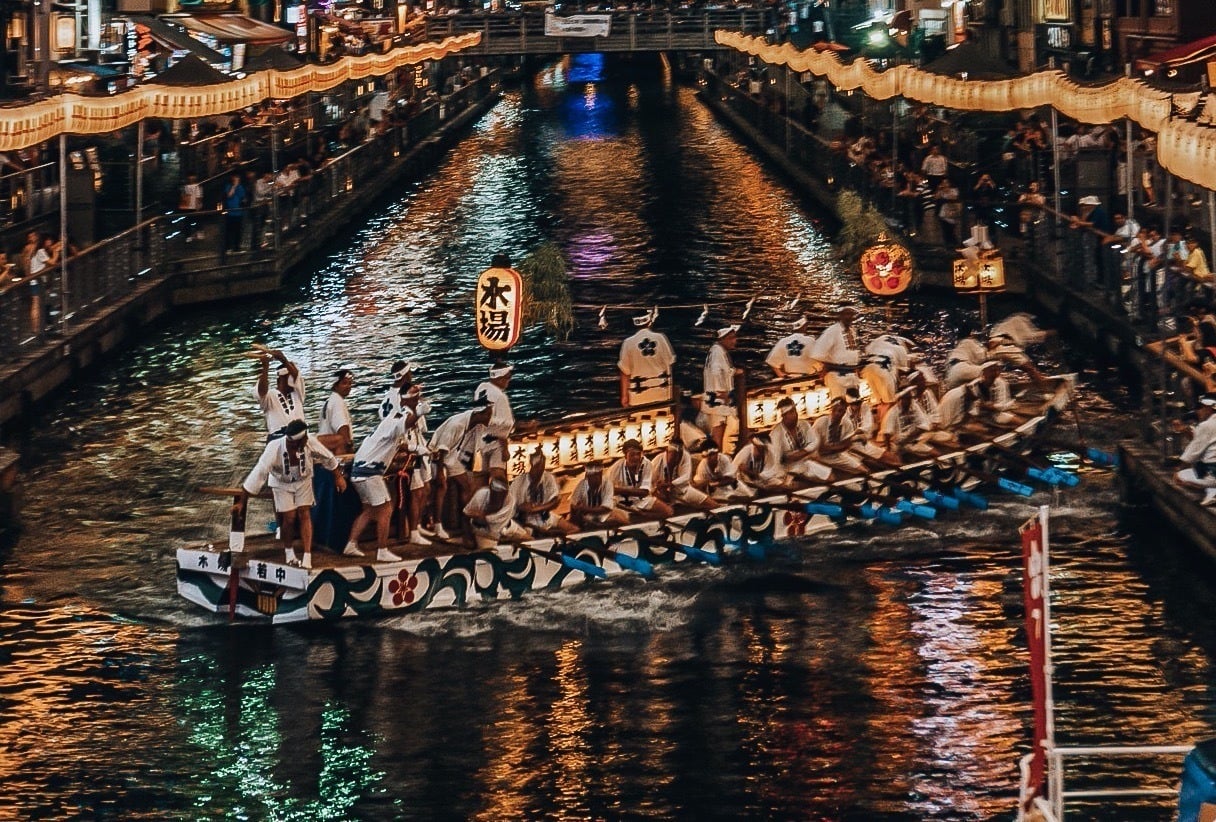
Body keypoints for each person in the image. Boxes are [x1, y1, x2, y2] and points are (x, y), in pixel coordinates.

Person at [235, 419, 346, 569]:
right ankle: (289, 551)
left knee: (304, 513)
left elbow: (328, 457)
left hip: (303, 480)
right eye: (304, 439)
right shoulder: (274, 449)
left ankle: (307, 555)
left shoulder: (309, 442)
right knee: (289, 518)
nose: (307, 440)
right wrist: (242, 501)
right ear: (295, 442)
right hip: (281, 483)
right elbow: (257, 474)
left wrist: (338, 477)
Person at [343, 406, 422, 563]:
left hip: (359, 473)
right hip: (369, 474)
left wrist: (418, 448)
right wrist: (418, 412)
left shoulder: (386, 426)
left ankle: (350, 545)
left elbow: (401, 446)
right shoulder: (395, 425)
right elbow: (408, 424)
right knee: (385, 510)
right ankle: (382, 550)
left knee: (369, 511)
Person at [429, 399, 493, 538]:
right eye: (488, 414)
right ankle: (437, 525)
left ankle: (467, 520)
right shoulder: (457, 424)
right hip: (436, 456)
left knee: (467, 485)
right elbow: (441, 449)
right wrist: (440, 472)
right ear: (479, 414)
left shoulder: (475, 423)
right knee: (442, 487)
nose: (490, 417)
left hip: (451, 457)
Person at [618, 307, 676, 407]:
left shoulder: (628, 343)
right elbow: (670, 363)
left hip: (639, 395)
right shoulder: (661, 338)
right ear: (649, 321)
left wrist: (624, 396)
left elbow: (624, 371)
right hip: (661, 393)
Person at [510, 449, 577, 535]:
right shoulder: (518, 482)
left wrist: (537, 508)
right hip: (527, 521)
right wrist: (523, 509)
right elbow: (514, 508)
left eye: (541, 467)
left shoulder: (548, 477)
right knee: (530, 538)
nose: (539, 471)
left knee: (574, 530)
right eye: (537, 467)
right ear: (531, 466)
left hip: (547, 516)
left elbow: (555, 501)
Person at [608, 438, 674, 519]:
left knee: (668, 511)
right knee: (619, 517)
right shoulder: (616, 468)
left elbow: (644, 492)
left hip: (642, 500)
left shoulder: (646, 464)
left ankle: (647, 517)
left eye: (638, 454)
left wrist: (620, 490)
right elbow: (609, 491)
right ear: (625, 455)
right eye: (632, 455)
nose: (636, 457)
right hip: (621, 502)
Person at [770, 397, 833, 482]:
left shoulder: (804, 424)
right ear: (784, 416)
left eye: (795, 411)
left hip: (806, 462)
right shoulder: (776, 434)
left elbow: (814, 441)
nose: (795, 415)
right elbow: (776, 460)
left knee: (830, 476)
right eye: (791, 413)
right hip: (788, 469)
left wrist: (803, 452)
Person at [463, 477, 531, 549]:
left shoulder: (510, 500)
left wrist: (479, 514)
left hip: (506, 527)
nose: (497, 496)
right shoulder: (481, 494)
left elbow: (486, 518)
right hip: (483, 532)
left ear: (506, 493)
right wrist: (468, 538)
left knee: (530, 541)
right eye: (495, 493)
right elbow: (466, 515)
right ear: (490, 490)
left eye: (500, 494)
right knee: (489, 554)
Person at [474, 362, 516, 478]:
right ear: (499, 378)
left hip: (481, 442)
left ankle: (483, 495)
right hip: (496, 443)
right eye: (507, 377)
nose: (509, 380)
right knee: (498, 477)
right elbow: (503, 426)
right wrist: (505, 448)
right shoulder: (500, 396)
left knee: (484, 477)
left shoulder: (481, 389)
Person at [703, 325, 742, 450]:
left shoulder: (718, 351)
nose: (734, 341)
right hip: (718, 398)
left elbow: (724, 370)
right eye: (731, 338)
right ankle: (717, 459)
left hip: (718, 397)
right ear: (723, 339)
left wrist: (734, 372)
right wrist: (722, 392)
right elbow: (715, 372)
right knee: (718, 433)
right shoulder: (717, 352)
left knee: (722, 430)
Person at [811, 305, 862, 398]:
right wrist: (827, 366)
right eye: (847, 314)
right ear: (840, 315)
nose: (849, 317)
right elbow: (818, 353)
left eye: (851, 314)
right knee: (839, 406)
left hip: (852, 375)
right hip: (837, 375)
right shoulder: (832, 331)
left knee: (855, 404)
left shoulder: (853, 331)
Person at [650, 438, 715, 510]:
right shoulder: (656, 462)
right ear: (667, 452)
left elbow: (685, 477)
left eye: (679, 455)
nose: (677, 458)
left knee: (712, 504)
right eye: (674, 455)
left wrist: (670, 484)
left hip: (683, 491)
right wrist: (658, 489)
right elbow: (650, 483)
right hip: (662, 495)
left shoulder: (685, 455)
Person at [255, 349, 305, 439]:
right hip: (278, 438)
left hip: (300, 436)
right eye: (288, 377)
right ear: (280, 379)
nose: (294, 379)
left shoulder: (298, 393)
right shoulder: (270, 395)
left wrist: (283, 360)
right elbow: (261, 392)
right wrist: (265, 366)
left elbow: (296, 376)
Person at [1176, 394, 1216, 506]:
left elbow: (1192, 454)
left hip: (1213, 472)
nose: (1198, 411)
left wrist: (1178, 468)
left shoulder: (1206, 425)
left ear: (1209, 408)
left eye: (1201, 407)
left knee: (1179, 477)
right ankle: (1212, 491)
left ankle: (1212, 489)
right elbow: (1205, 442)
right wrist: (1185, 430)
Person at [569, 461, 629, 529]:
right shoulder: (581, 485)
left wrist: (585, 509)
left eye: (598, 475)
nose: (596, 478)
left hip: (606, 514)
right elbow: (573, 505)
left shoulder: (607, 484)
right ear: (587, 476)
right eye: (593, 475)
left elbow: (605, 508)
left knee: (619, 518)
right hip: (587, 517)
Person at [317, 368, 355, 454]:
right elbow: (342, 429)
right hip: (333, 452)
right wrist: (351, 453)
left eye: (350, 383)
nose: (348, 386)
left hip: (324, 449)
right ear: (335, 385)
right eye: (344, 383)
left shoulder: (330, 400)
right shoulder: (337, 402)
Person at [222, 172, 247, 255]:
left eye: (238, 178)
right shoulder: (228, 186)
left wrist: (244, 201)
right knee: (229, 231)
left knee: (238, 231)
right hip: (230, 213)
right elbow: (229, 195)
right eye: (235, 178)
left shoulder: (241, 187)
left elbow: (242, 197)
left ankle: (237, 248)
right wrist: (234, 186)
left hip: (238, 212)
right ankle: (228, 248)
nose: (237, 180)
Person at [179, 174, 203, 242]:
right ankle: (192, 235)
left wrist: (197, 206)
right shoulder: (192, 186)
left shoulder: (193, 186)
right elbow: (198, 197)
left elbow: (198, 197)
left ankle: (191, 235)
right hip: (189, 206)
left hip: (190, 206)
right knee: (191, 221)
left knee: (192, 221)